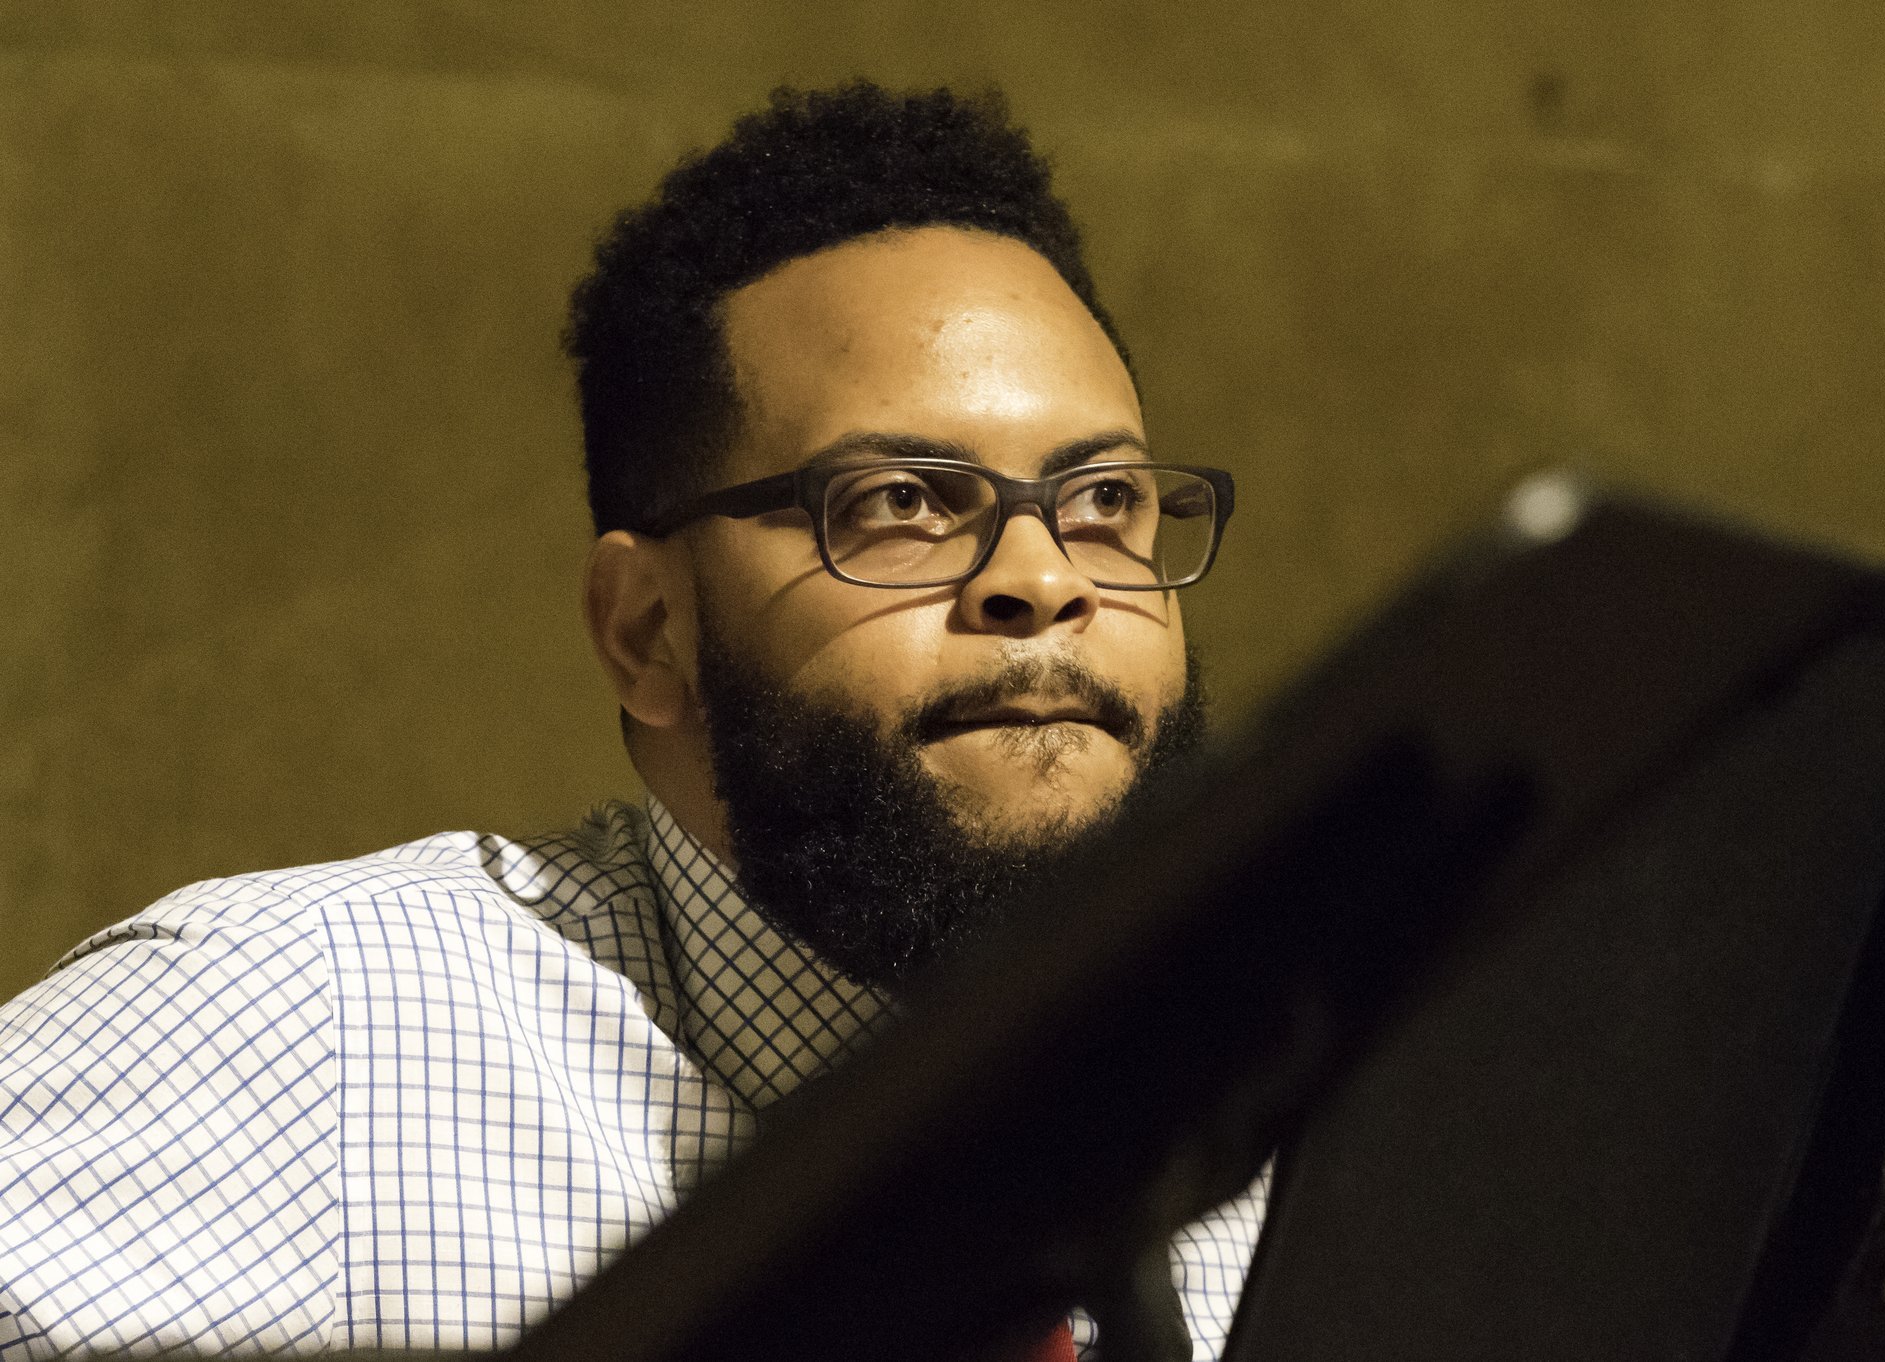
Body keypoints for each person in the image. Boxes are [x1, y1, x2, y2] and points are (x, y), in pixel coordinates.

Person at [0, 83, 1261, 1360]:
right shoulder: (298, 1034)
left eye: (1104, 502)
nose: (1043, 578)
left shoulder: (1321, 1100)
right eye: (899, 502)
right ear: (647, 630)